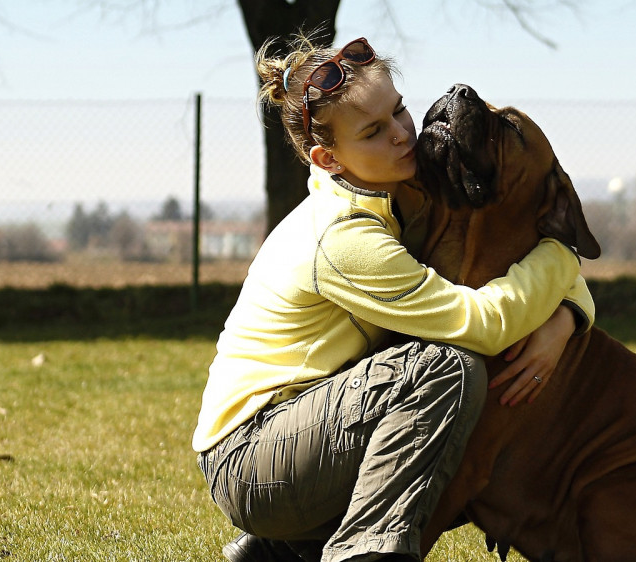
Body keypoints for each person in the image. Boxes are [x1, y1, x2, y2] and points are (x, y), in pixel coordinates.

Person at [192, 34, 595, 562]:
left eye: (400, 111)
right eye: (374, 131)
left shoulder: (393, 188)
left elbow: (506, 245)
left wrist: (568, 313)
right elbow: (483, 324)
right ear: (327, 157)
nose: (403, 134)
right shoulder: (341, 238)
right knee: (444, 372)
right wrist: (562, 256)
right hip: (251, 458)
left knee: (436, 382)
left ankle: (279, 552)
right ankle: (363, 553)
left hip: (299, 432)